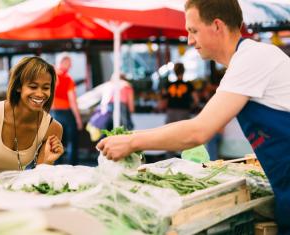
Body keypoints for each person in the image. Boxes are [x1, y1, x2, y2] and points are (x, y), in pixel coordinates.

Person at [97, 0, 290, 233]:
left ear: (217, 26)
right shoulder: (245, 60)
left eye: (193, 30)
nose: (189, 40)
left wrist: (132, 142)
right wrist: (131, 136)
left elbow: (199, 130)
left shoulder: (253, 58)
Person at [0, 56, 64, 184]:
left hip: (7, 191)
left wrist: (48, 161)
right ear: (18, 87)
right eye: (33, 87)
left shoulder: (52, 127)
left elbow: (39, 176)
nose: (39, 94)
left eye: (45, 88)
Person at [51, 52, 83, 165]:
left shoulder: (49, 75)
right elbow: (73, 101)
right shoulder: (67, 78)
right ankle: (72, 167)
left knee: (55, 142)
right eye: (69, 63)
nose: (71, 66)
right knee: (72, 141)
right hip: (65, 112)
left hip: (51, 113)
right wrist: (78, 119)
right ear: (62, 62)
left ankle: (55, 167)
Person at [162, 62, 198, 158]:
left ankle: (169, 158)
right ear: (184, 71)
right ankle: (185, 158)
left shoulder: (169, 85)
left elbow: (163, 99)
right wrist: (192, 106)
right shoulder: (189, 85)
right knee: (185, 136)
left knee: (169, 135)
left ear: (174, 71)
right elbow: (196, 99)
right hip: (184, 111)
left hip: (171, 112)